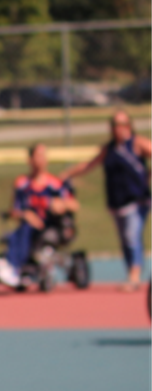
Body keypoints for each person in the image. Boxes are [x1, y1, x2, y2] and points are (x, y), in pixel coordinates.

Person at [60, 110, 152, 292]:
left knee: (131, 236)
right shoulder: (109, 149)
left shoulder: (137, 143)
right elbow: (89, 164)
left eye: (123, 124)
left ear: (129, 125)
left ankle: (134, 277)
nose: (119, 128)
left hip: (137, 200)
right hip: (117, 202)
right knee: (125, 240)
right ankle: (131, 272)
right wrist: (67, 174)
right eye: (115, 124)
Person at [0, 144, 79, 287]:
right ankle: (9, 265)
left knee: (29, 232)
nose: (41, 160)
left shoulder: (54, 184)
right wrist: (25, 214)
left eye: (44, 156)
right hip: (28, 226)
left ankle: (13, 267)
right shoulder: (22, 183)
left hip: (49, 225)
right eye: (38, 156)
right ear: (30, 160)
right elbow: (14, 210)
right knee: (18, 233)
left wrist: (60, 204)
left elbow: (74, 204)